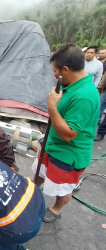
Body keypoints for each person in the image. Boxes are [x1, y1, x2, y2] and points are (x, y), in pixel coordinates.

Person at [32, 43, 100, 223]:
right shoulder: (70, 84)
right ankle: (32, 189)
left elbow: (69, 134)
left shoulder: (85, 95)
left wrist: (52, 106)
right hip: (51, 144)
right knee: (40, 171)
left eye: (55, 71)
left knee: (61, 188)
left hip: (67, 153)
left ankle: (56, 209)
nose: (54, 75)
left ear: (66, 69)